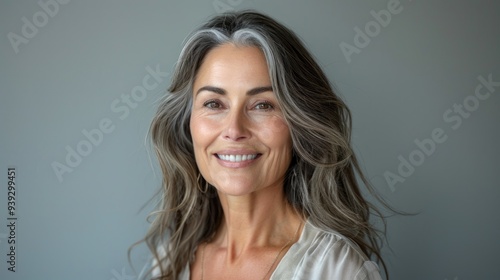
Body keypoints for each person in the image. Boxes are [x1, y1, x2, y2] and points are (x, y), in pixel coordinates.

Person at [142, 10, 390, 280]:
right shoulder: (170, 261)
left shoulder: (336, 269)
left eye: (263, 105)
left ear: (299, 124)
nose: (234, 130)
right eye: (214, 104)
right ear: (188, 125)